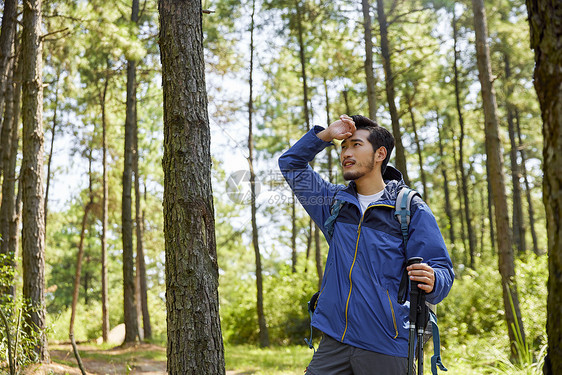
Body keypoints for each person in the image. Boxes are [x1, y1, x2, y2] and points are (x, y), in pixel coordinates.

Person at [278, 114, 454, 374]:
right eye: (344, 147)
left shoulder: (409, 208)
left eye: (356, 145)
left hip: (386, 344)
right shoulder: (334, 203)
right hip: (334, 342)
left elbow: (442, 270)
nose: (347, 152)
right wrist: (326, 135)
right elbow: (291, 164)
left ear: (380, 153)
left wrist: (434, 279)